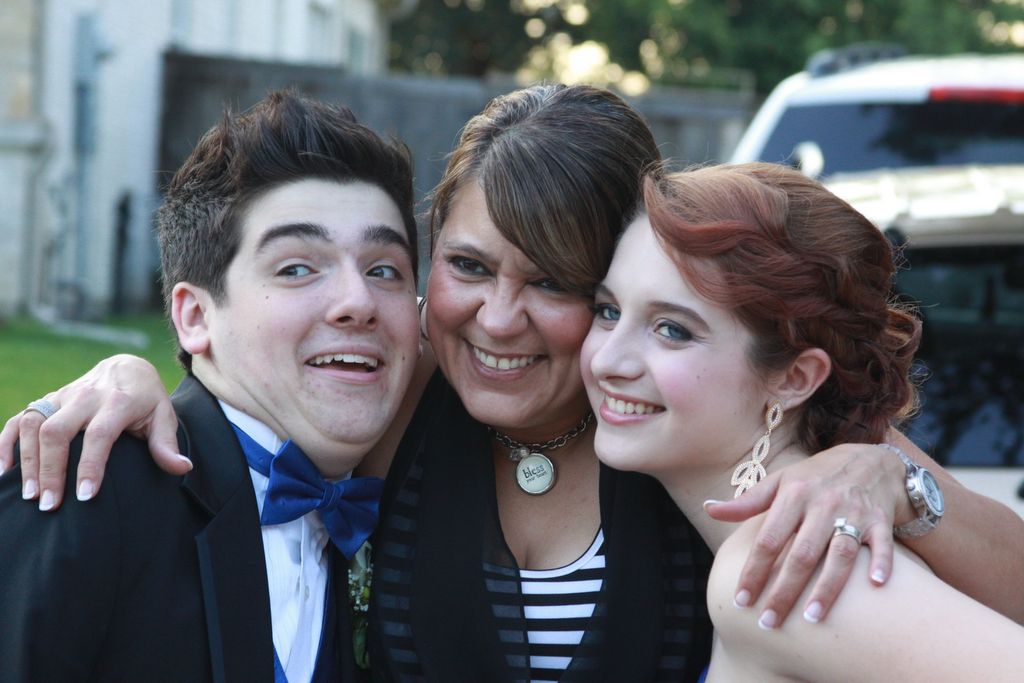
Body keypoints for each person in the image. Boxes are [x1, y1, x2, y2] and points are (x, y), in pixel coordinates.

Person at [3, 85, 1024, 682]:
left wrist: (894, 481)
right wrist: (133, 374)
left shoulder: (703, 427)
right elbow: (259, 382)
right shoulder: (401, 393)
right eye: (469, 265)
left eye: (556, 283)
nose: (497, 319)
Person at [0, 91, 421, 681]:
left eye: (384, 270)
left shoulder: (408, 513)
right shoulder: (82, 483)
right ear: (195, 317)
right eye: (297, 268)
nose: (359, 300)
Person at [581, 162, 1024, 680]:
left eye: (672, 330)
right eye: (608, 311)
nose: (608, 361)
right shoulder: (823, 492)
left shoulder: (778, 564)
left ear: (795, 379)